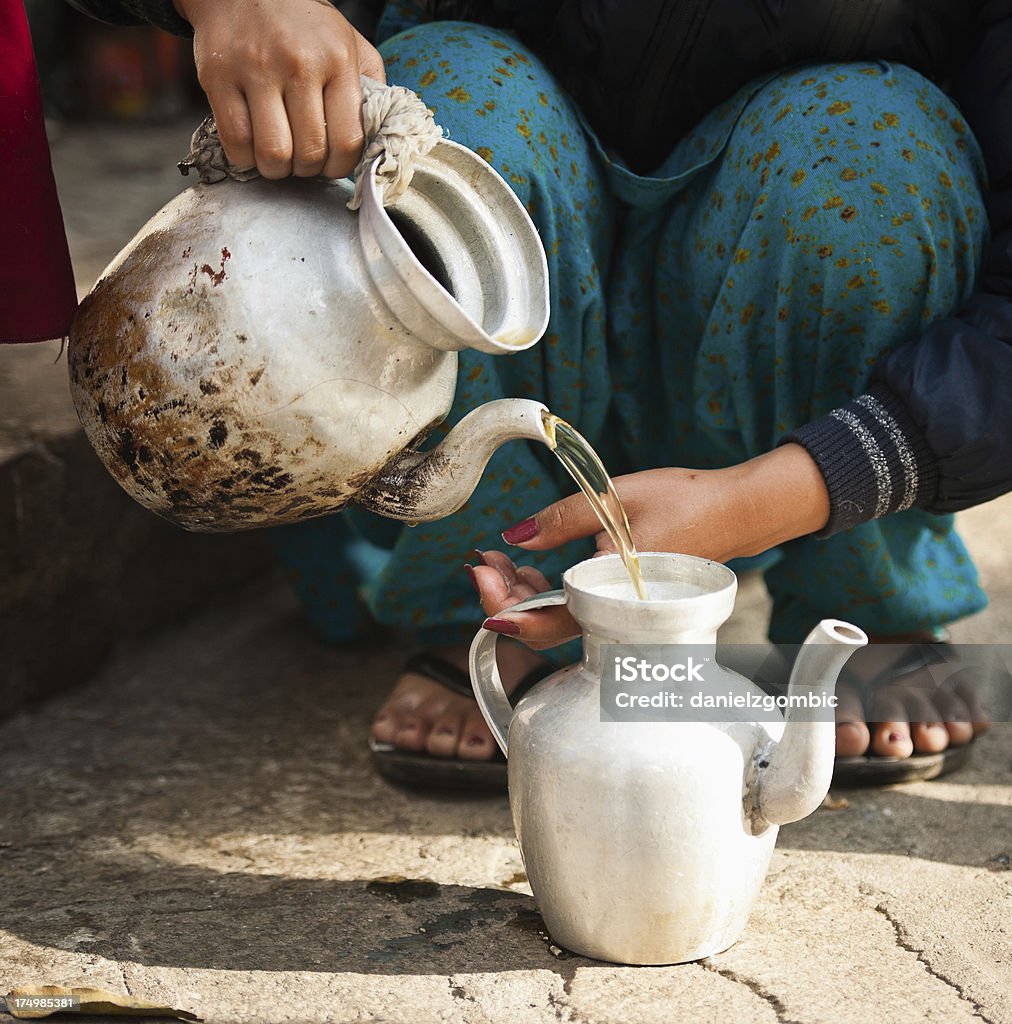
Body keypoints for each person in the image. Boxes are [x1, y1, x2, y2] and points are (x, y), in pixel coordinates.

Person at [62, 0, 1011, 786]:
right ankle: (484, 606)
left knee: (870, 144)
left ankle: (864, 594)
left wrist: (775, 493)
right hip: (507, 282)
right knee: (451, 95)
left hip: (786, 339)